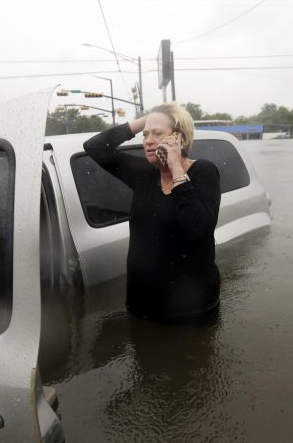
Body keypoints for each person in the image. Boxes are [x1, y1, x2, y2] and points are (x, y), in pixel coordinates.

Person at [83, 102, 221, 322]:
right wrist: (147, 120)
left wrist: (175, 167)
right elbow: (95, 147)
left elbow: (198, 229)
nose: (147, 141)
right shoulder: (144, 174)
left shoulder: (203, 171)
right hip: (142, 303)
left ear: (180, 138)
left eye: (157, 133)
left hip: (189, 309)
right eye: (145, 134)